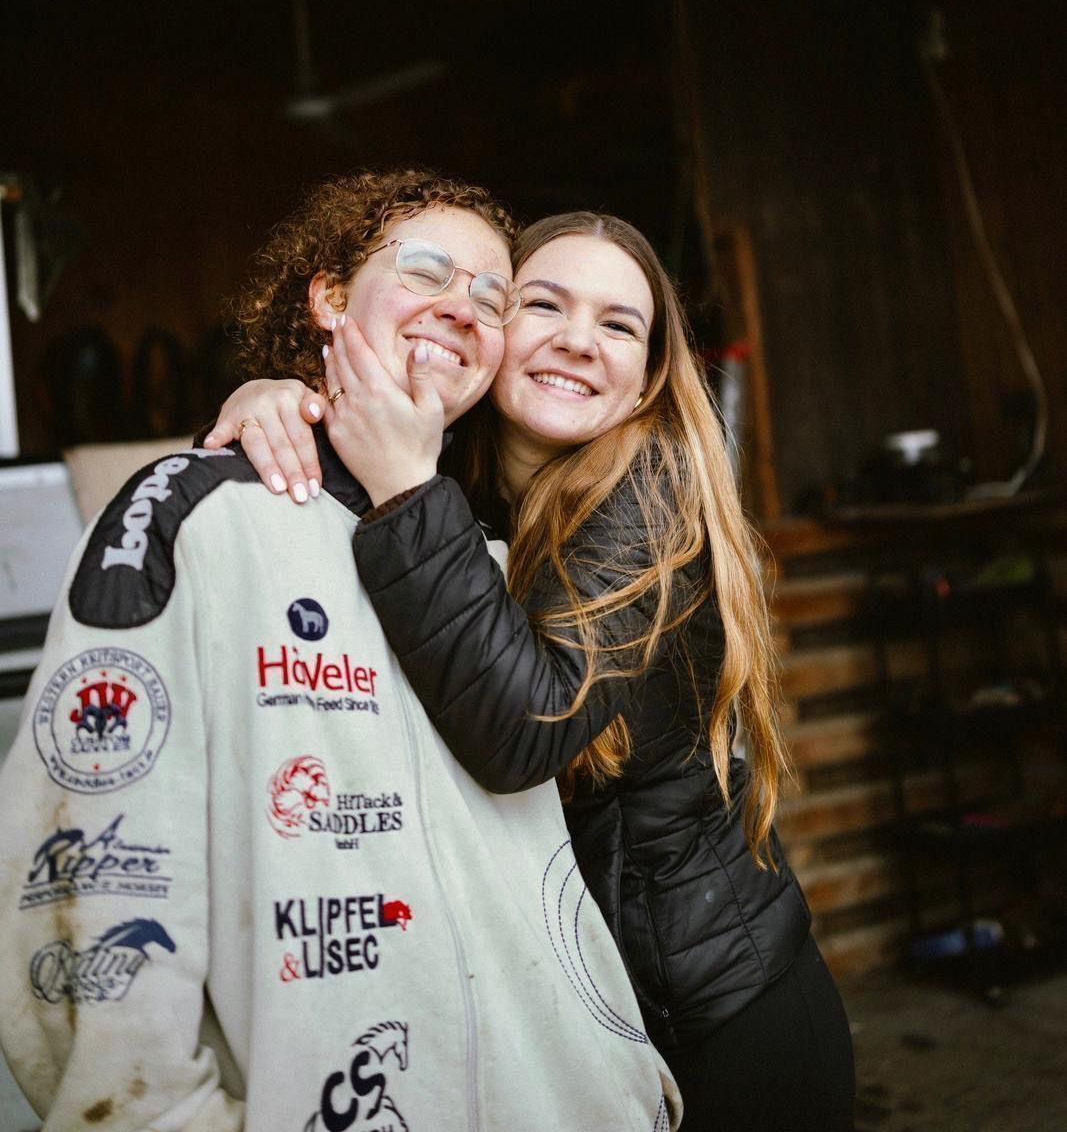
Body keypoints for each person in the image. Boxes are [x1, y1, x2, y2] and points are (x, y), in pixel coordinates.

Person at [0, 173, 680, 1132]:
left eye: (493, 296)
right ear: (326, 297)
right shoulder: (199, 515)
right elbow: (82, 886)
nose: (462, 307)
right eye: (426, 271)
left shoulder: (489, 551)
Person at [207, 207, 856, 1132]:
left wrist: (404, 485)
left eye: (619, 325)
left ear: (644, 380)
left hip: (725, 1029)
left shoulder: (648, 494)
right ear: (489, 333)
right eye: (541, 304)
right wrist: (281, 399)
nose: (579, 342)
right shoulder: (456, 476)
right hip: (589, 1026)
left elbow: (527, 728)